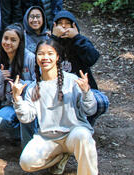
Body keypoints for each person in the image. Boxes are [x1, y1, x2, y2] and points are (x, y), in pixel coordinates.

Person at [12, 38, 98, 175]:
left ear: (57, 57)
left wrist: (87, 92)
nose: (45, 57)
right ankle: (60, 157)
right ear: (36, 57)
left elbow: (90, 110)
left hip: (73, 134)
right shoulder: (33, 88)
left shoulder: (72, 80)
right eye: (41, 54)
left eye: (50, 53)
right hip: (48, 139)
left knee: (83, 136)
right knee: (26, 162)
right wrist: (17, 98)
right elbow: (26, 117)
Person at [51, 10, 109, 125]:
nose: (63, 26)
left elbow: (92, 58)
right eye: (60, 23)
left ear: (74, 26)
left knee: (101, 102)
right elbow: (43, 61)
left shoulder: (81, 41)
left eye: (67, 23)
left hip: (82, 88)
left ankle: (87, 124)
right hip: (57, 89)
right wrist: (54, 38)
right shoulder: (50, 43)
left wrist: (77, 37)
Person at [0, 23, 35, 143]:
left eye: (13, 40)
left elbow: (39, 84)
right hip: (10, 104)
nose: (8, 43)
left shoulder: (30, 58)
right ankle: (18, 135)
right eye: (6, 38)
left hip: (30, 104)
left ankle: (31, 136)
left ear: (20, 42)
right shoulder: (0, 59)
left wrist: (20, 83)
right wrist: (0, 77)